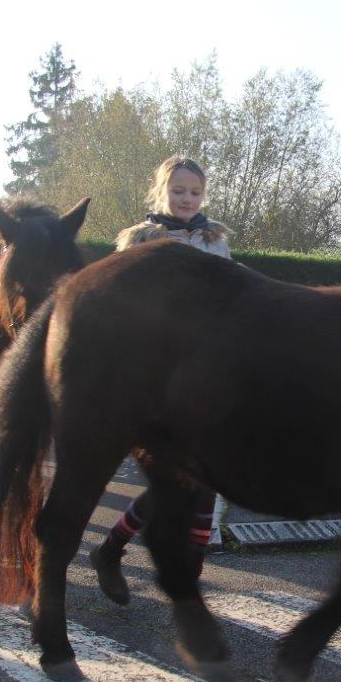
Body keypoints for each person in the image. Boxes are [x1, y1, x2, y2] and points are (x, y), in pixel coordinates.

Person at [88, 156, 232, 604]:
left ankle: (122, 558)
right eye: (178, 191)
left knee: (199, 477)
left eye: (194, 192)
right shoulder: (138, 241)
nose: (187, 199)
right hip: (151, 377)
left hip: (205, 374)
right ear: (161, 192)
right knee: (181, 478)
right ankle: (117, 556)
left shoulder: (215, 242)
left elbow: (231, 305)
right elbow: (116, 306)